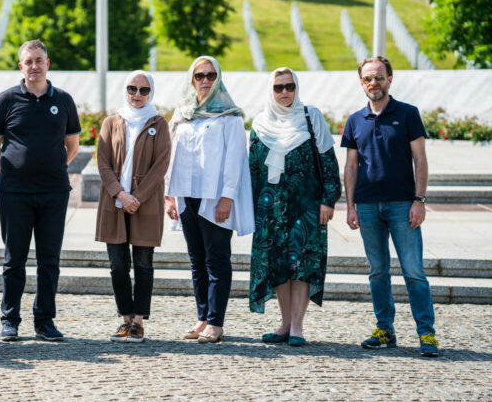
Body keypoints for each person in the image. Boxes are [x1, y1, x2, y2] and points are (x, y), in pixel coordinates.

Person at [342, 56, 439, 357]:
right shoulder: (355, 120)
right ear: (361, 83)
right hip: (368, 206)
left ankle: (427, 334)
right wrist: (350, 207)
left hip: (402, 206)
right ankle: (385, 329)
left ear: (390, 79)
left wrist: (419, 201)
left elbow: (420, 159)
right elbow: (351, 166)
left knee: (413, 272)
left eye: (379, 77)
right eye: (368, 78)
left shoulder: (408, 114)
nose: (374, 83)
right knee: (378, 272)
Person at [0, 40, 81, 342]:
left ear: (48, 63)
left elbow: (73, 145)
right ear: (21, 66)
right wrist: (3, 178)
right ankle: (10, 319)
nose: (34, 66)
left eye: (39, 60)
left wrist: (55, 167)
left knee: (49, 260)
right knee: (14, 259)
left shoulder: (63, 100)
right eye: (28, 61)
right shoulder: (6, 100)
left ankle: (44, 321)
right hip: (15, 193)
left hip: (54, 192)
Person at [248, 68, 341, 347]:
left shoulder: (311, 117)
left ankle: (298, 326)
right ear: (271, 90)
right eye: (278, 88)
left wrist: (329, 199)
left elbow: (328, 162)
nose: (284, 92)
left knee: (302, 265)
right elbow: (252, 169)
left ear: (296, 88)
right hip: (270, 210)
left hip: (307, 208)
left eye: (289, 86)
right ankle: (285, 323)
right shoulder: (260, 122)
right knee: (278, 265)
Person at [165, 56, 254, 343]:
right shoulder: (183, 114)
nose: (205, 81)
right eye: (199, 75)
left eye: (211, 75)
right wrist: (169, 194)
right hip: (186, 195)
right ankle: (202, 317)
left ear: (219, 78)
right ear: (192, 79)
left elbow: (235, 160)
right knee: (196, 260)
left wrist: (227, 197)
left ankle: (216, 321)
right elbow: (172, 157)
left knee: (217, 259)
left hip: (215, 197)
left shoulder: (229, 117)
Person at [95, 71, 171, 343]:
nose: (137, 95)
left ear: (151, 93)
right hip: (114, 203)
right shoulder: (111, 122)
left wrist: (136, 196)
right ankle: (125, 318)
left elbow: (161, 164)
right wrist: (120, 193)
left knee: (143, 264)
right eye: (132, 89)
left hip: (145, 203)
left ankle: (139, 320)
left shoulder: (159, 124)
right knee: (117, 265)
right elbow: (102, 162)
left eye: (143, 90)